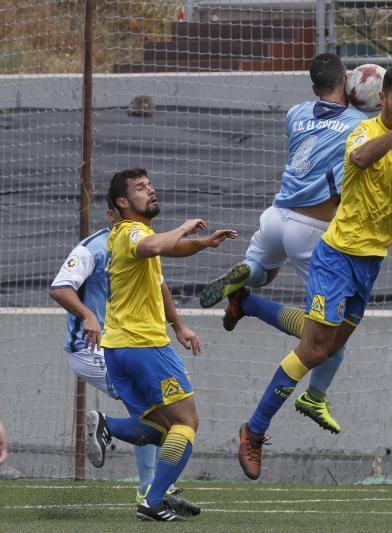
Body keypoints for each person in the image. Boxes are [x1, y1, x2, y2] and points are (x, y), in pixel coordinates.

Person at [236, 64, 392, 480]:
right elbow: (362, 158)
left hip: (369, 263)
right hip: (337, 254)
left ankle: (249, 304)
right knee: (313, 349)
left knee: (326, 347)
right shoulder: (362, 132)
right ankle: (253, 432)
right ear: (380, 99)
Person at [197, 53, 368, 435]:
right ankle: (314, 396)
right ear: (346, 80)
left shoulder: (296, 113)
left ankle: (244, 284)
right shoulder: (361, 125)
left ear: (312, 88)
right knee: (327, 337)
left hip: (276, 215)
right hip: (314, 228)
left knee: (264, 272)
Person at [87, 168, 237, 521]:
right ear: (123, 202)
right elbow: (155, 245)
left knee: (162, 428)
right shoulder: (133, 232)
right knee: (187, 423)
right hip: (145, 346)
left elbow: (160, 277)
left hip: (120, 349)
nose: (150, 190)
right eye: (141, 188)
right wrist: (185, 227)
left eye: (150, 185)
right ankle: (153, 501)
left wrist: (203, 243)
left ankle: (107, 425)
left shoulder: (128, 234)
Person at [49, 210, 200, 514]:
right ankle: (151, 490)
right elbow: (60, 287)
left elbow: (160, 286)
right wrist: (88, 315)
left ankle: (153, 486)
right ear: (113, 211)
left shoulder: (143, 240)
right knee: (158, 413)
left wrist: (178, 326)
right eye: (139, 189)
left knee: (159, 417)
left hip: (125, 344)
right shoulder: (92, 247)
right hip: (91, 347)